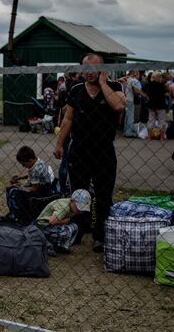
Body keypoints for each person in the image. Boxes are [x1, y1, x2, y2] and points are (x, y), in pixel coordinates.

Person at [53, 53, 125, 253]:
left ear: (102, 69)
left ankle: (99, 235)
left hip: (103, 150)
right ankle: (78, 228)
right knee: (79, 192)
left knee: (103, 193)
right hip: (79, 149)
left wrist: (103, 83)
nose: (89, 73)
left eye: (94, 69)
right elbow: (67, 119)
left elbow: (119, 106)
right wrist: (59, 144)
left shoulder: (115, 88)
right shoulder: (76, 89)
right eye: (86, 69)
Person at [6, 145, 56, 222]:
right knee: (13, 189)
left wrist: (20, 187)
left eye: (24, 164)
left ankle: (16, 215)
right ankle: (15, 213)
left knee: (13, 191)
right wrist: (20, 177)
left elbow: (34, 188)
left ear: (30, 161)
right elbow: (33, 176)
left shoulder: (34, 170)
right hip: (47, 188)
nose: (23, 166)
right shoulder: (39, 162)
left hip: (41, 192)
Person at [35, 189, 91, 255]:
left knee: (74, 227)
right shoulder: (64, 207)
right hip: (43, 226)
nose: (79, 211)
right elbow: (52, 221)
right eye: (78, 207)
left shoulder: (72, 207)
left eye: (81, 209)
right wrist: (64, 221)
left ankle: (63, 247)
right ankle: (50, 246)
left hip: (52, 224)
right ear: (72, 201)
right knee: (67, 230)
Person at [143, 71, 169, 140]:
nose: (161, 78)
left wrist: (147, 97)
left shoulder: (149, 84)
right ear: (158, 77)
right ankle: (161, 136)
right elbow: (167, 94)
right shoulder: (162, 85)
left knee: (151, 120)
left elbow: (142, 91)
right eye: (160, 76)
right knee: (161, 121)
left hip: (151, 105)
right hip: (161, 105)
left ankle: (149, 136)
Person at [118, 70, 143, 138]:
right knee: (130, 116)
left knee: (127, 116)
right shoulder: (134, 81)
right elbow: (136, 91)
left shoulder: (127, 80)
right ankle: (128, 132)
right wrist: (140, 95)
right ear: (136, 74)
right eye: (138, 74)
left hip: (125, 99)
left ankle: (126, 131)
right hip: (131, 99)